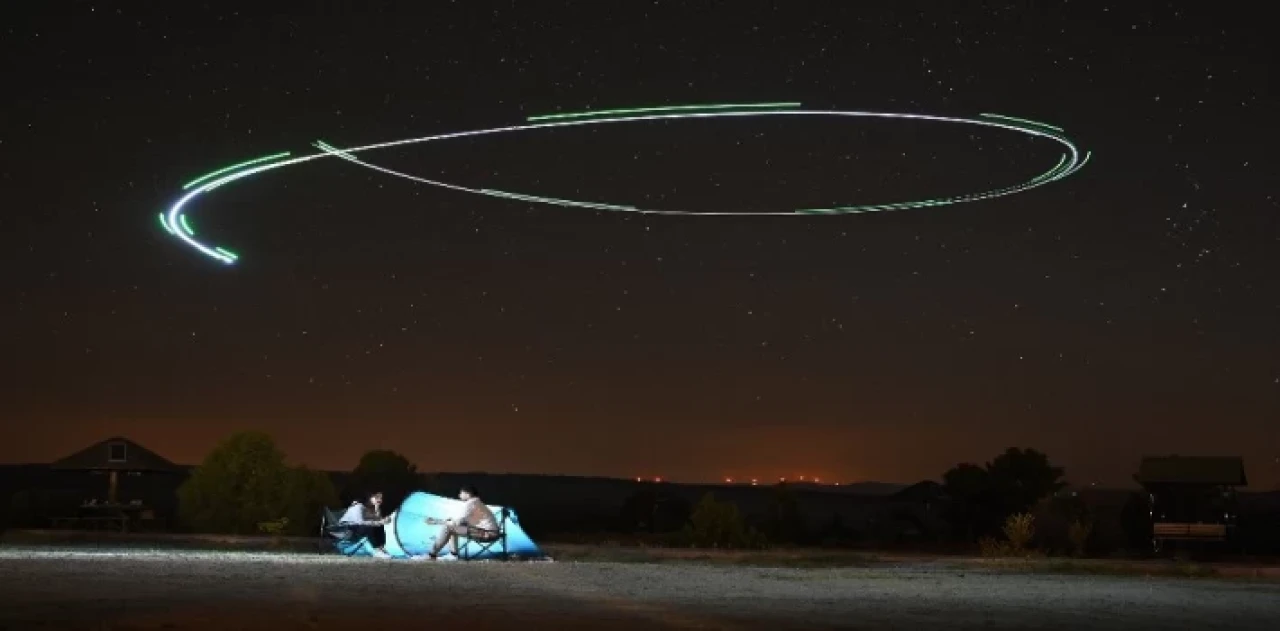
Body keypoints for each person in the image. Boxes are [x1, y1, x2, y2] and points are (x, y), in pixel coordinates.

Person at [423, 485, 499, 560]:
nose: (459, 495)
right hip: (487, 532)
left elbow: (457, 522)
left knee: (448, 528)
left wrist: (436, 522)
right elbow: (460, 522)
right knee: (452, 529)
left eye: (461, 493)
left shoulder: (471, 503)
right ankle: (453, 555)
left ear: (467, 494)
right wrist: (446, 521)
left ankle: (432, 555)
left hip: (486, 534)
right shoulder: (477, 502)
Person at [340, 491, 392, 558]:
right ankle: (376, 550)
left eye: (380, 498)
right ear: (369, 497)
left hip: (356, 527)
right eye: (376, 497)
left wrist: (377, 507)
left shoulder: (368, 508)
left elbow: (376, 518)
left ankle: (381, 548)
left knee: (380, 527)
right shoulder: (358, 506)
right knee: (370, 527)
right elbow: (360, 522)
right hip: (345, 529)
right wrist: (380, 522)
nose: (379, 499)